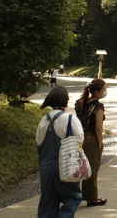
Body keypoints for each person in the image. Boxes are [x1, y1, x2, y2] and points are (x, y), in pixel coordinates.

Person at [37, 86, 83, 218]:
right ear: (65, 101)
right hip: (66, 166)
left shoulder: (43, 120)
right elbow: (80, 140)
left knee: (48, 203)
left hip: (46, 166)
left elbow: (39, 141)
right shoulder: (70, 119)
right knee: (73, 197)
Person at [75, 79, 108, 207]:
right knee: (92, 168)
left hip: (79, 136)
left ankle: (78, 194)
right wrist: (99, 143)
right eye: (104, 89)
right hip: (90, 138)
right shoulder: (98, 106)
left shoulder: (80, 103)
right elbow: (98, 127)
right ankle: (92, 198)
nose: (105, 91)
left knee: (79, 167)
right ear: (98, 92)